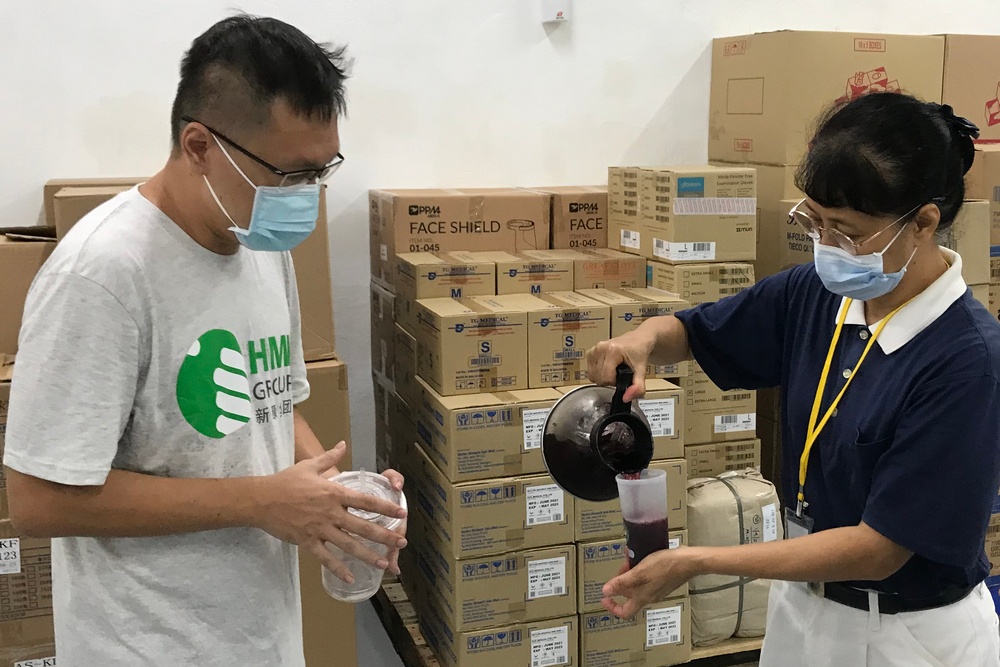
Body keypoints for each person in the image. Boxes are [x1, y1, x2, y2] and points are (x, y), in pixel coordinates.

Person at [3, 15, 406, 666]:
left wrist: (336, 498)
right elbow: (36, 499)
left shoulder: (259, 243)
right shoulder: (104, 274)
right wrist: (262, 501)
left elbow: (270, 401)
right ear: (198, 146)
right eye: (289, 173)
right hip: (146, 646)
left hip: (258, 636)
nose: (304, 197)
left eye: (321, 171)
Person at [587, 92, 1000, 667]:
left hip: (904, 637)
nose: (829, 247)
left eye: (848, 232)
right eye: (817, 224)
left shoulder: (965, 361)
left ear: (923, 223)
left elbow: (878, 550)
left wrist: (698, 561)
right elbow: (695, 332)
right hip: (803, 612)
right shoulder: (817, 295)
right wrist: (643, 340)